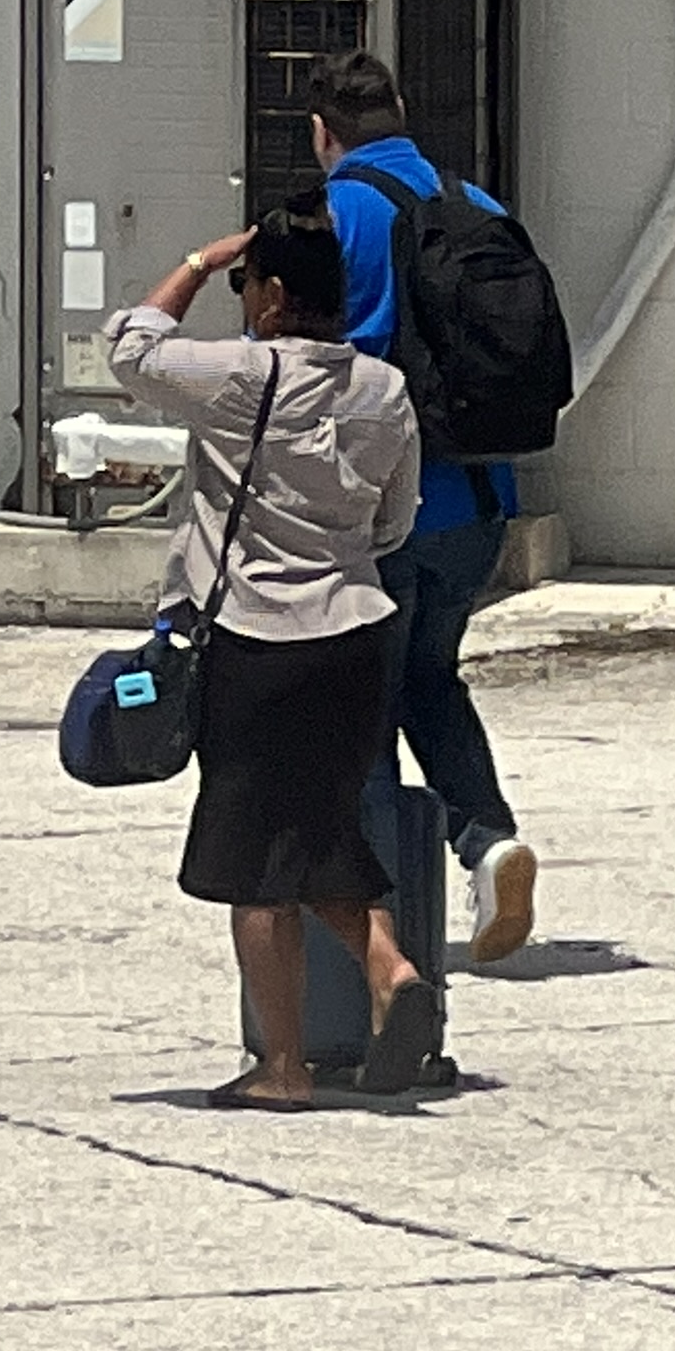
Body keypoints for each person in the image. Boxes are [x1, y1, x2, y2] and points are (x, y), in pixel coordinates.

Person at [105, 201, 437, 1106]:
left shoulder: (242, 376)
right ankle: (391, 971)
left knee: (253, 865)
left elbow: (130, 347)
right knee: (324, 828)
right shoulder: (384, 389)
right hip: (356, 635)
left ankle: (282, 1067)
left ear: (275, 295)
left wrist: (198, 261)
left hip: (256, 641)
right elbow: (395, 520)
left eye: (248, 286)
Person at [309, 50, 538, 963]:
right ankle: (488, 843)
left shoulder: (340, 211)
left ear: (322, 132)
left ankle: (375, 929)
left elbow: (334, 369)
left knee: (360, 697)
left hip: (386, 514)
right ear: (400, 113)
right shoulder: (474, 203)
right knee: (430, 680)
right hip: (479, 501)